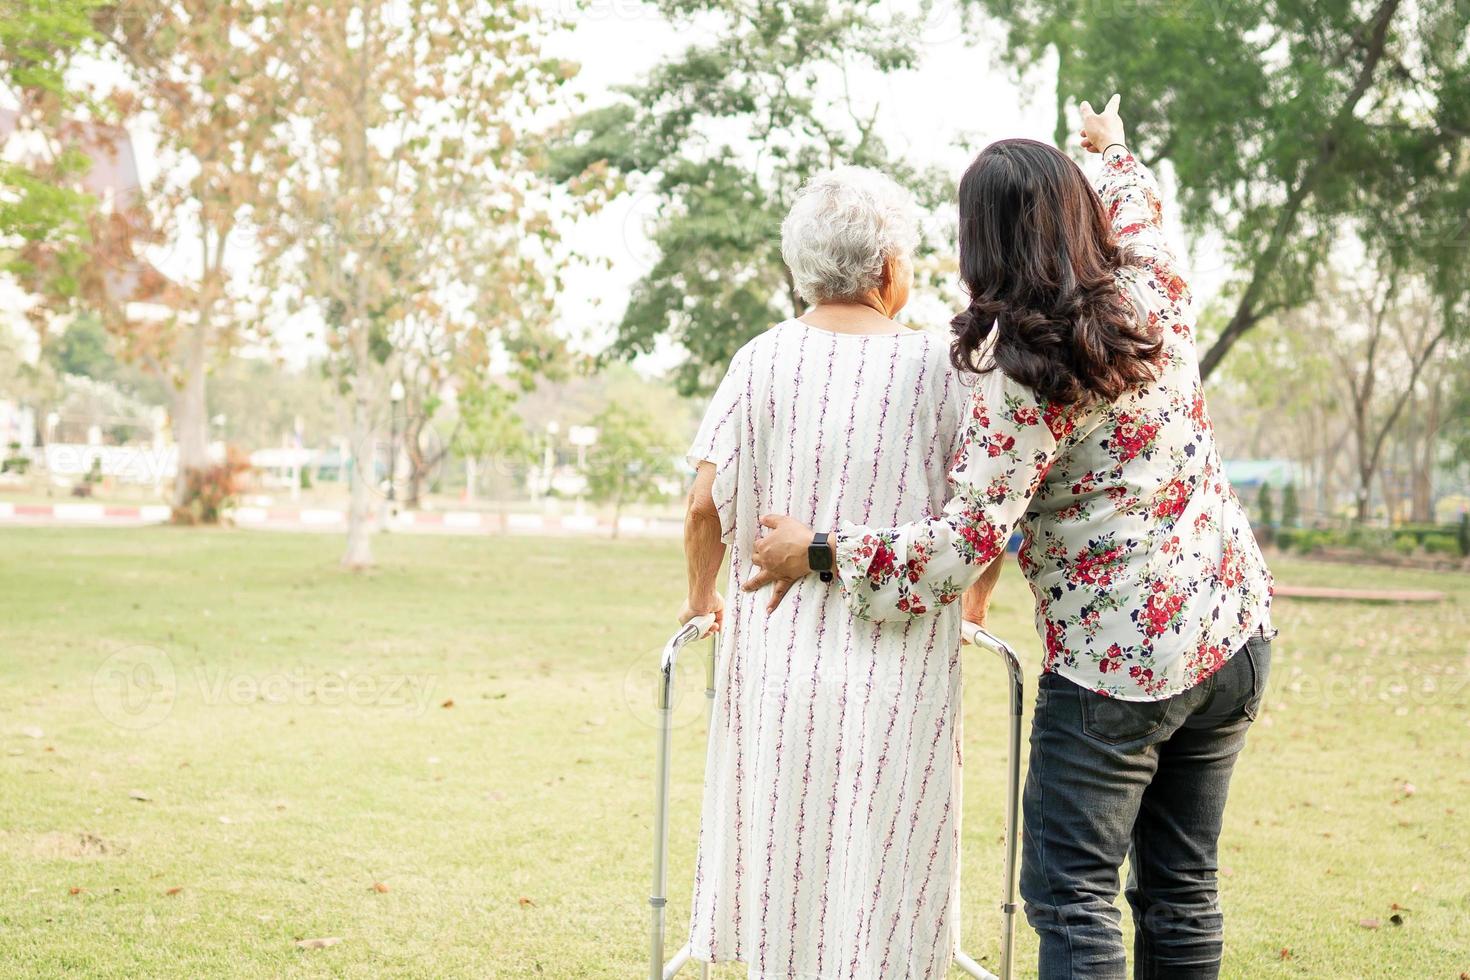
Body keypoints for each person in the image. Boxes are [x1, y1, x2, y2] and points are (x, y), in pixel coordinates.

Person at [745, 96, 1275, 979]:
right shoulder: (1157, 285)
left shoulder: (1024, 374)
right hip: (1232, 629)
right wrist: (1111, 147)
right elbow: (1136, 205)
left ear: (980, 245)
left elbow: (962, 546)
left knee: (1072, 896)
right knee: (1182, 890)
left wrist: (820, 551)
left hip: (1118, 672)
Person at [679, 165, 1000, 979]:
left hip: (779, 671)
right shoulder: (944, 368)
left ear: (802, 267)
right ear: (890, 268)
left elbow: (703, 506)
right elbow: (986, 517)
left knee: (786, 863)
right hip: (904, 675)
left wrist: (700, 595)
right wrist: (975, 603)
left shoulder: (759, 360)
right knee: (891, 868)